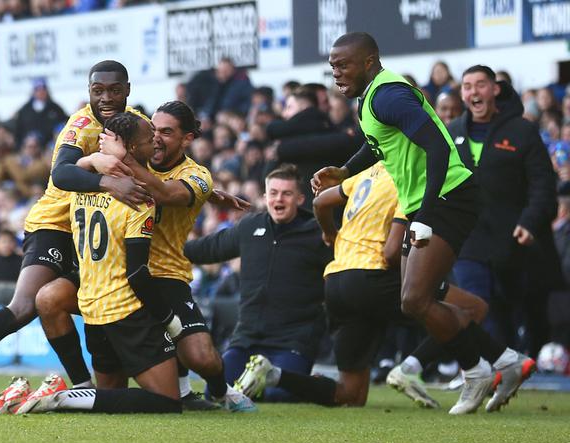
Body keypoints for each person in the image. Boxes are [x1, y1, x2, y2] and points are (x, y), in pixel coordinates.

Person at [0, 60, 151, 414]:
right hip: (56, 226)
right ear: (88, 92)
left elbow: (162, 156)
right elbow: (63, 172)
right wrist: (107, 178)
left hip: (103, 229)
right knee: (24, 306)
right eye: (98, 91)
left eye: (114, 90)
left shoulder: (138, 121)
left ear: (127, 89)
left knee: (142, 284)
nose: (106, 98)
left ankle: (170, 387)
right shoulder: (80, 125)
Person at [311, 32, 532, 414]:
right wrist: (346, 169)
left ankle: (477, 370)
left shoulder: (389, 94)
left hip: (449, 198)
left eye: (342, 64)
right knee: (416, 300)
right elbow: (379, 143)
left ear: (369, 61)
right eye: (332, 65)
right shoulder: (372, 97)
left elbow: (438, 146)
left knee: (415, 298)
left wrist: (424, 214)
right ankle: (505, 361)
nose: (335, 73)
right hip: (428, 202)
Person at [29, 101, 256, 412]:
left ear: (187, 139)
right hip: (118, 274)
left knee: (200, 356)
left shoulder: (195, 174)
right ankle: (82, 386)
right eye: (153, 131)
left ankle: (219, 391)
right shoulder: (129, 162)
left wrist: (119, 159)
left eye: (166, 132)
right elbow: (66, 173)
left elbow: (164, 194)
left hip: (163, 274)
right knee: (48, 299)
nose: (157, 138)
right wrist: (98, 159)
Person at [236, 163, 485, 408]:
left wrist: (330, 234)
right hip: (372, 276)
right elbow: (390, 253)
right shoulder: (408, 174)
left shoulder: (367, 174)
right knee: (473, 309)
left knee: (351, 394)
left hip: (337, 279)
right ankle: (412, 367)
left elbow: (320, 202)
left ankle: (274, 375)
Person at [13, 112, 182, 416]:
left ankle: (73, 394)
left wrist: (92, 159)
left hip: (92, 312)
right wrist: (168, 318)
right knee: (168, 402)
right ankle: (64, 398)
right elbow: (137, 273)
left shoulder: (84, 185)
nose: (155, 142)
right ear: (131, 148)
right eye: (148, 139)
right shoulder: (138, 197)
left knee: (110, 399)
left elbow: (71, 169)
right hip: (126, 312)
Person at [184, 164, 332, 402]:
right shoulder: (250, 226)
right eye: (273, 193)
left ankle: (313, 383)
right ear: (265, 197)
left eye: (286, 193)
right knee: (215, 392)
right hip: (247, 339)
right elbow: (207, 249)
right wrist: (161, 249)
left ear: (300, 198)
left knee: (277, 395)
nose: (279, 199)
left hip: (292, 340)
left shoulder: (318, 234)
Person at [449, 65, 561, 355]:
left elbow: (543, 184)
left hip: (515, 241)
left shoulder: (521, 130)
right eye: (467, 86)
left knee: (516, 312)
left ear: (495, 89)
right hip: (469, 241)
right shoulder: (452, 133)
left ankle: (512, 363)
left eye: (480, 85)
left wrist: (531, 221)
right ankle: (484, 367)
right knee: (475, 302)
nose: (474, 92)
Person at [12, 77, 68, 148]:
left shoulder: (55, 109)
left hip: (50, 147)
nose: (41, 92)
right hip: (29, 146)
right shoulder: (24, 110)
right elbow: (18, 131)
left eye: (43, 89)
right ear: (34, 92)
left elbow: (64, 123)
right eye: (38, 90)